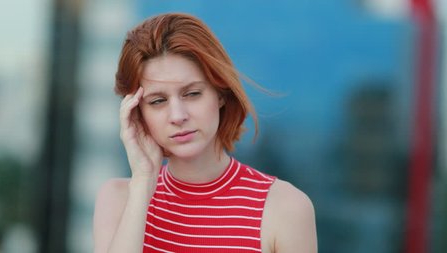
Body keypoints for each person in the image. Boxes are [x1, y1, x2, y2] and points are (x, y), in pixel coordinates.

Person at [93, 13, 317, 253]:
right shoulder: (119, 199)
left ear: (220, 93)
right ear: (137, 113)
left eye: (192, 94)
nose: (178, 115)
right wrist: (142, 182)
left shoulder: (285, 208)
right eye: (158, 101)